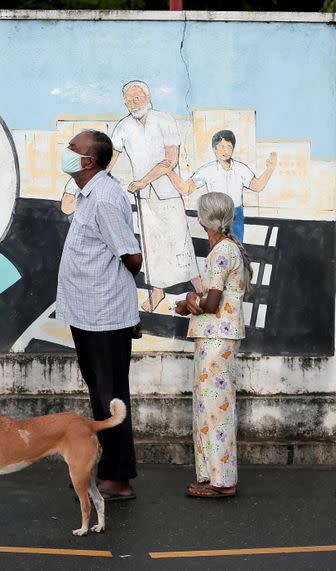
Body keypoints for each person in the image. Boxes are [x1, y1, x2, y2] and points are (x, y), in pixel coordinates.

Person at [56, 130, 143, 501]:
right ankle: (104, 470)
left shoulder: (105, 198)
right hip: (88, 314)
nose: (67, 152)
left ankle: (118, 479)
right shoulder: (86, 194)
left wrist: (119, 297)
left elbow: (132, 256)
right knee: (100, 397)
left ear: (89, 161)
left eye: (73, 149)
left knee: (111, 399)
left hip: (105, 316)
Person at [175, 192, 249, 498]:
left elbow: (213, 301)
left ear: (205, 219)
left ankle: (223, 481)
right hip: (218, 336)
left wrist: (189, 302)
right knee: (209, 407)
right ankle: (211, 475)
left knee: (214, 409)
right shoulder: (230, 250)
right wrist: (193, 300)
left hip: (216, 337)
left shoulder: (220, 252)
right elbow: (212, 297)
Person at [110, 80, 201, 313]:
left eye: (137, 97)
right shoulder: (122, 127)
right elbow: (111, 158)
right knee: (151, 246)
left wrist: (142, 181)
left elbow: (170, 160)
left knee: (180, 240)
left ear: (148, 97)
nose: (133, 103)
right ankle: (157, 291)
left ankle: (199, 288)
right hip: (144, 197)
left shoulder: (164, 120)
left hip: (168, 191)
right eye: (129, 100)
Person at [166, 129, 277, 241]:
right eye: (222, 146)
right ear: (215, 149)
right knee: (218, 249)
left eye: (229, 146)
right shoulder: (208, 170)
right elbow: (186, 189)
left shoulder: (240, 168)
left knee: (236, 249)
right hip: (216, 214)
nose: (226, 150)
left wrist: (270, 169)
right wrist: (169, 171)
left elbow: (257, 186)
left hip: (235, 214)